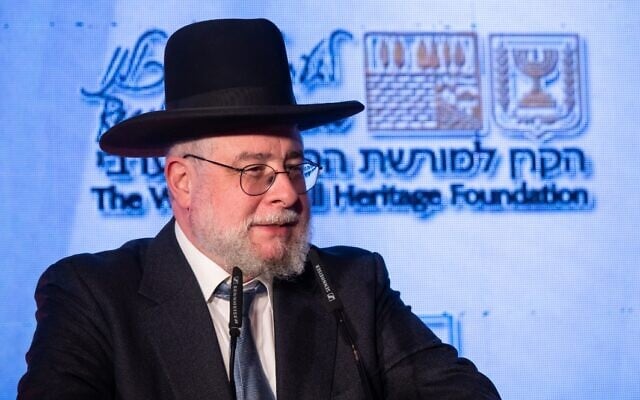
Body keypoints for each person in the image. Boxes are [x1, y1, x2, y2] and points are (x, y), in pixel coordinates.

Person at [18, 18, 500, 399]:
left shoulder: (352, 285)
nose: (287, 193)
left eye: (294, 167)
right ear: (183, 182)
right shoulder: (93, 296)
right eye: (254, 171)